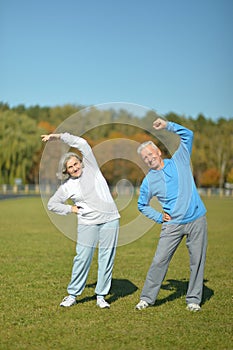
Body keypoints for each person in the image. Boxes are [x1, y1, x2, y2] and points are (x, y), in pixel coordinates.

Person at [135, 118, 207, 312]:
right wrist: (159, 217)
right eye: (145, 158)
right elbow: (141, 205)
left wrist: (168, 126)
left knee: (197, 261)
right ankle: (147, 299)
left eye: (150, 153)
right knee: (159, 261)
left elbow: (188, 135)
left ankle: (193, 300)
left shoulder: (180, 160)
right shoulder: (148, 181)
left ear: (158, 151)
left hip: (197, 219)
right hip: (172, 225)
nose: (149, 158)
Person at [41, 132, 120, 309]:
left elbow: (82, 142)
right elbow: (52, 204)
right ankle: (72, 295)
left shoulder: (92, 167)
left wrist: (58, 136)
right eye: (70, 167)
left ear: (81, 162)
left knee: (106, 258)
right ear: (66, 171)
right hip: (87, 224)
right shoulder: (68, 186)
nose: (75, 168)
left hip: (110, 219)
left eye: (76, 163)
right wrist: (72, 208)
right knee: (82, 258)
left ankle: (101, 296)